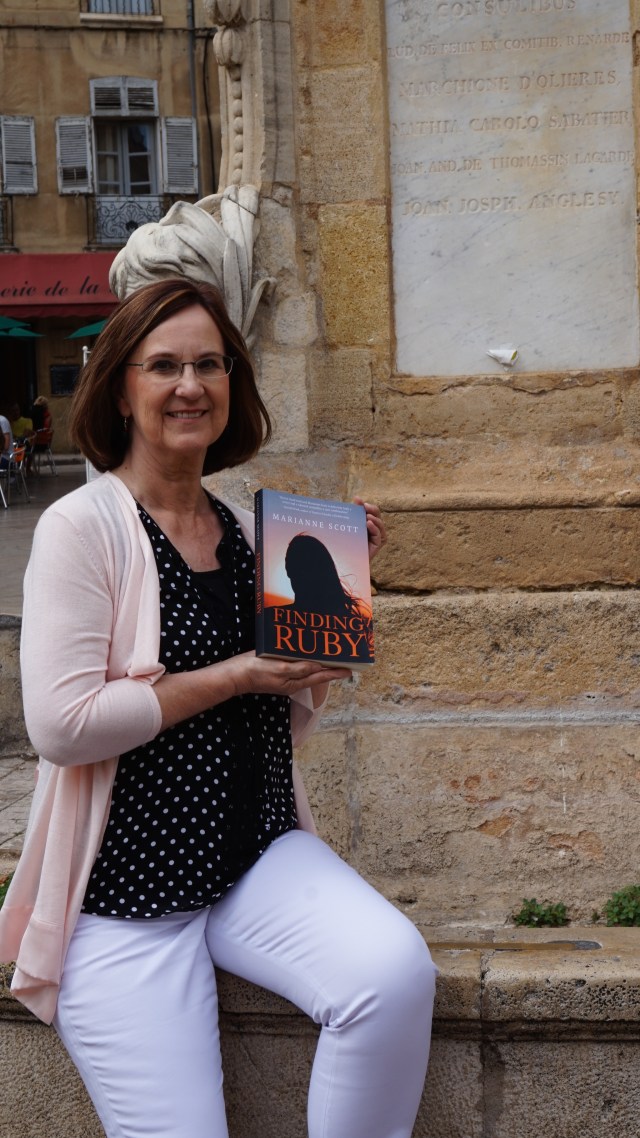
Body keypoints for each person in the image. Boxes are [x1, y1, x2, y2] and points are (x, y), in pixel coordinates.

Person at [0, 277, 436, 1138]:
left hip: (255, 859)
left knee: (392, 977)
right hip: (125, 894)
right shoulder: (82, 528)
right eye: (164, 366)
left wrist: (334, 599)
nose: (190, 385)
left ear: (233, 383)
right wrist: (236, 674)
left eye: (210, 364)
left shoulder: (250, 531)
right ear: (119, 389)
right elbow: (61, 725)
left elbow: (282, 712)